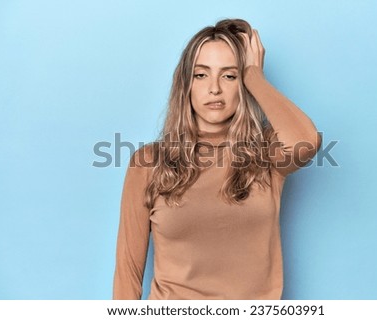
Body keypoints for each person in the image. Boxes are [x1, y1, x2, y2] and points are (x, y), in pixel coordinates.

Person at [112, 18, 321, 300]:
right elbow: (127, 273)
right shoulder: (149, 162)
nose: (214, 89)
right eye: (201, 75)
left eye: (229, 75)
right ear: (185, 84)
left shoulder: (267, 154)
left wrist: (254, 76)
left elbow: (305, 142)